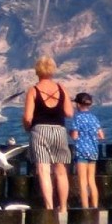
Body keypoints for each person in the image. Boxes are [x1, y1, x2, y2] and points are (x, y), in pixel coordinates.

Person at [22, 55, 74, 211]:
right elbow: (69, 112)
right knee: (61, 170)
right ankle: (63, 207)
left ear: (37, 71)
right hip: (59, 130)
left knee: (43, 170)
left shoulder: (34, 90)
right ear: (53, 70)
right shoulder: (61, 88)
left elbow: (28, 117)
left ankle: (49, 207)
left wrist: (26, 127)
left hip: (40, 130)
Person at [70, 93, 105, 209]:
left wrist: (71, 133)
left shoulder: (78, 117)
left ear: (79, 105)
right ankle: (94, 206)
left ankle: (85, 208)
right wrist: (91, 136)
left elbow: (75, 136)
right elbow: (101, 136)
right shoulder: (94, 118)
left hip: (81, 151)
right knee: (92, 181)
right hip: (93, 151)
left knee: (82, 182)